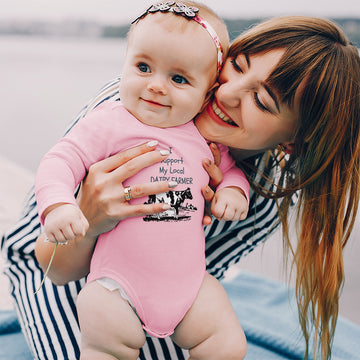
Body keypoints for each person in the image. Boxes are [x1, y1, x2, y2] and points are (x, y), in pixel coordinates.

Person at [2, 14, 360, 360]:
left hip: (153, 288)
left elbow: (188, 288)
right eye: (237, 65)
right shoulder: (139, 101)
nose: (227, 93)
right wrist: (90, 214)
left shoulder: (263, 198)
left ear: (292, 142)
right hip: (52, 262)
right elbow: (56, 268)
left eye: (262, 101)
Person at [34, 2, 249, 359]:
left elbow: (231, 171)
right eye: (143, 67)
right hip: (116, 285)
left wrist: (233, 191)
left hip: (189, 286)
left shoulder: (200, 136)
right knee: (106, 346)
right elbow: (60, 159)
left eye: (178, 79)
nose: (156, 86)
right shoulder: (110, 122)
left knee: (226, 343)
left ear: (207, 93)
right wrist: (58, 205)